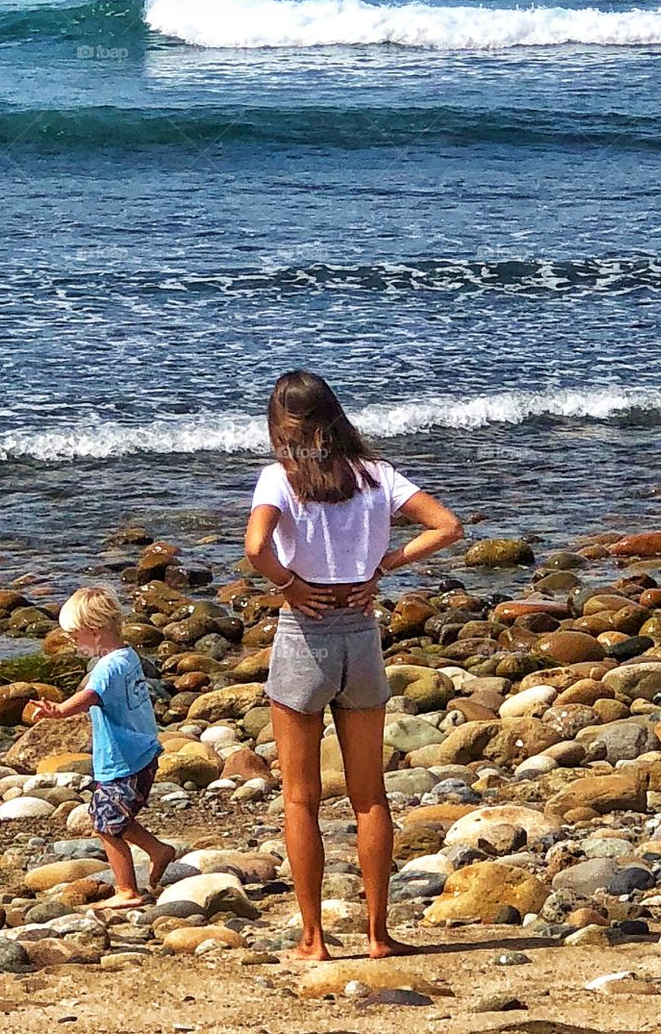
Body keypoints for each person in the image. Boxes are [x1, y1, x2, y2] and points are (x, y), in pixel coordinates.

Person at [244, 370, 463, 960]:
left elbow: (256, 547)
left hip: (305, 634)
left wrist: (288, 586)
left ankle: (313, 939)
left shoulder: (279, 478)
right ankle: (377, 934)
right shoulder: (376, 475)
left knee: (300, 797)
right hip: (361, 633)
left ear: (279, 424)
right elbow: (447, 526)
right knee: (370, 796)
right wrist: (384, 566)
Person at [30, 585, 175, 906]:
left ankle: (127, 891)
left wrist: (57, 711)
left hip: (124, 761)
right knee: (108, 816)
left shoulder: (106, 668)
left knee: (107, 827)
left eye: (75, 636)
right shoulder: (128, 656)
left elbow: (90, 696)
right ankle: (157, 849)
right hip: (140, 753)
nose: (73, 643)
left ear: (94, 634)